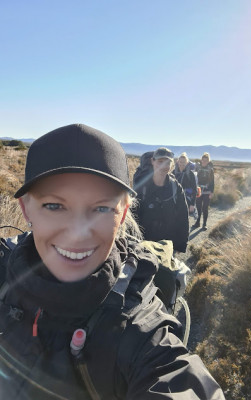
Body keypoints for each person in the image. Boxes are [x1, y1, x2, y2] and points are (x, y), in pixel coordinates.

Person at [0, 124, 225, 399]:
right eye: (54, 206)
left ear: (123, 214)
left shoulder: (141, 328)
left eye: (102, 208)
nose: (78, 232)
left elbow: (175, 378)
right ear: (25, 209)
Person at [133, 147, 189, 253]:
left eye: (167, 163)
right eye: (160, 162)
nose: (164, 166)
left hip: (167, 246)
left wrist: (181, 245)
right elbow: (133, 217)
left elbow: (183, 217)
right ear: (152, 161)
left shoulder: (175, 187)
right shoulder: (142, 187)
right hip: (144, 246)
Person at [192, 152, 214, 230]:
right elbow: (194, 178)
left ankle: (204, 224)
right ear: (201, 160)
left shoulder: (210, 169)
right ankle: (197, 222)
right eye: (203, 160)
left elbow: (212, 181)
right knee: (198, 207)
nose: (204, 161)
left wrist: (212, 192)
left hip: (207, 191)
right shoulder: (197, 168)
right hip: (198, 190)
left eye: (206, 160)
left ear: (208, 161)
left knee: (205, 208)